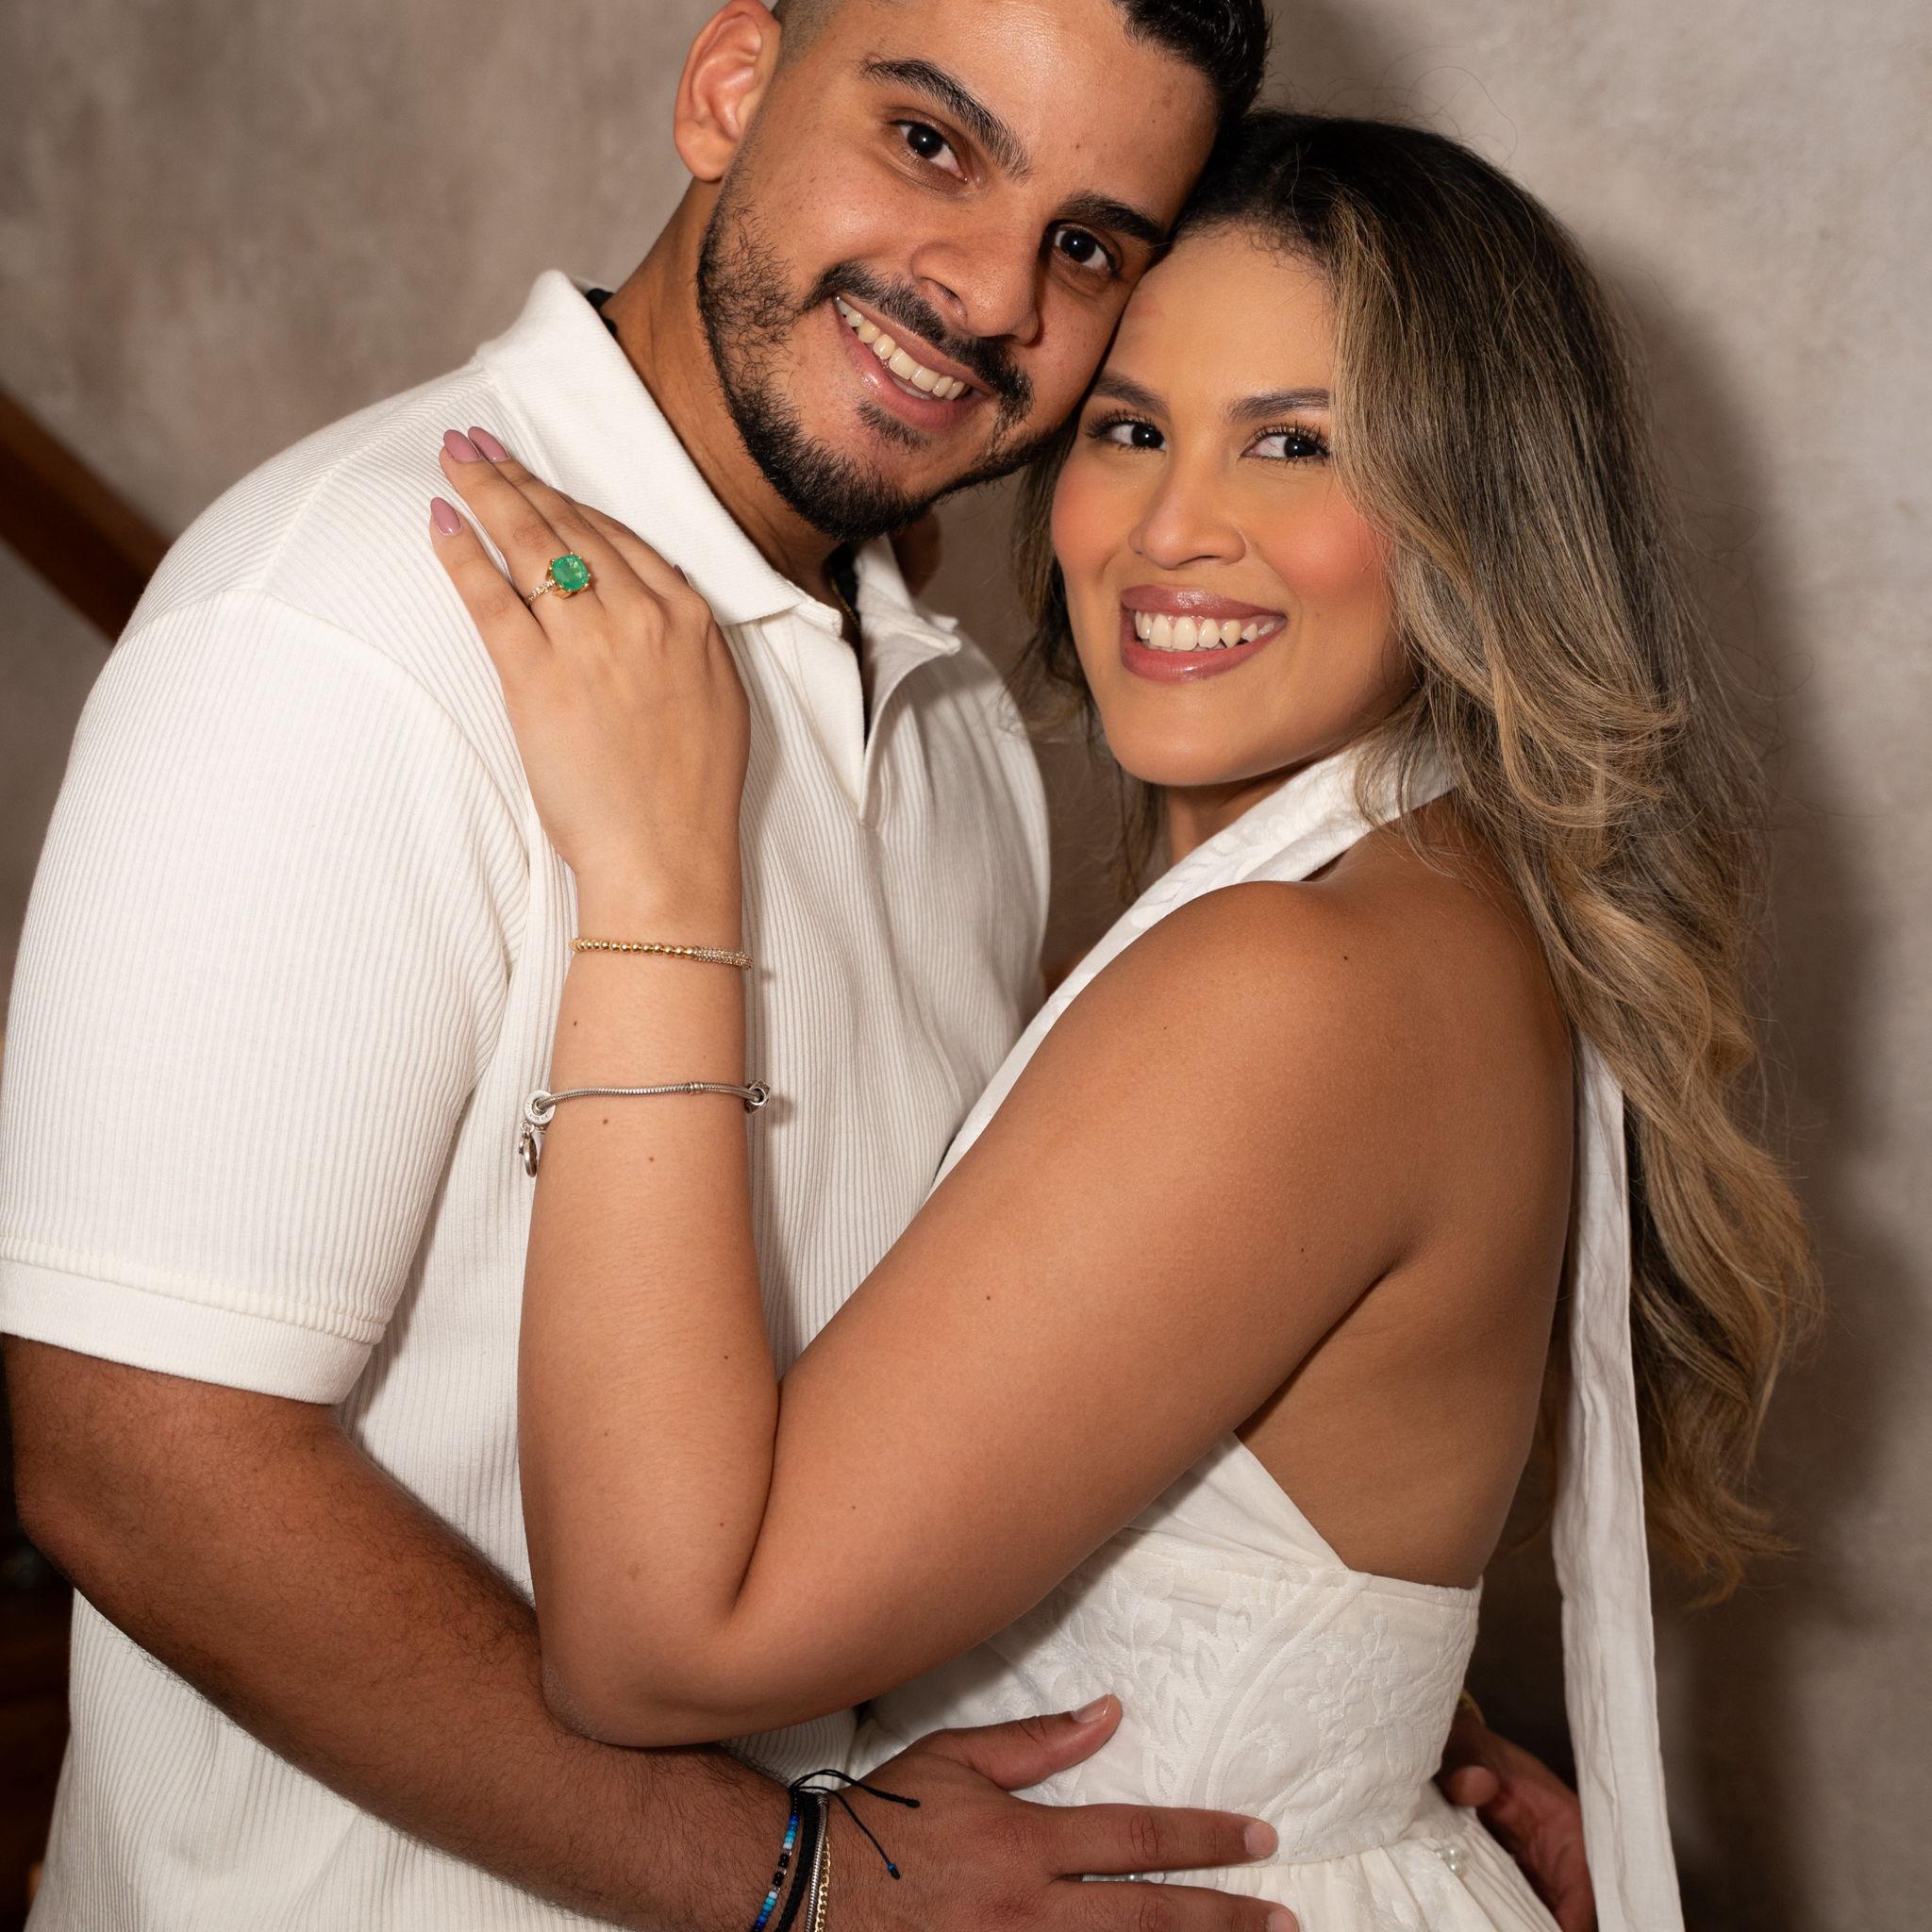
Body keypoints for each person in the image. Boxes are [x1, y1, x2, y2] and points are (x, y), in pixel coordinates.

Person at [0, 0, 1582, 1920]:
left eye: (1087, 243)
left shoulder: (963, 724)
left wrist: (1340, 1708)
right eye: (931, 142)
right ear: (727, 87)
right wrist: (793, 1881)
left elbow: (991, 1383)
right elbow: (133, 1466)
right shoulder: (346, 621)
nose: (987, 293)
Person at [425, 111, 1817, 1932]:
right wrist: (1368, 1724)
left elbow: (658, 1646)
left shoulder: (1292, 983)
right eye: (1133, 428)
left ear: (1477, 520)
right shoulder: (1427, 897)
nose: (1174, 531)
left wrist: (660, 876)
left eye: (1295, 444)